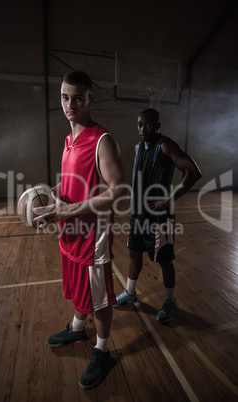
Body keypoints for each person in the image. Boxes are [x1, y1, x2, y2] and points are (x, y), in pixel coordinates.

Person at [34, 70, 125, 389]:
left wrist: (70, 209)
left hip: (93, 238)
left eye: (76, 97)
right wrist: (53, 197)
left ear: (90, 99)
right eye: (64, 97)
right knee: (77, 286)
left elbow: (118, 191)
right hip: (69, 232)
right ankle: (76, 328)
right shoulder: (68, 140)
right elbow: (75, 182)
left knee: (98, 298)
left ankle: (102, 349)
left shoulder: (103, 140)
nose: (69, 103)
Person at [115, 108, 202, 323]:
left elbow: (194, 172)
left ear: (157, 126)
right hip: (139, 215)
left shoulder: (165, 145)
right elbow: (138, 178)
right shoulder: (138, 147)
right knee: (134, 254)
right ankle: (130, 292)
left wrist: (168, 200)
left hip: (158, 217)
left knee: (164, 260)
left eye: (149, 124)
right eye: (140, 125)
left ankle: (170, 300)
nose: (143, 129)